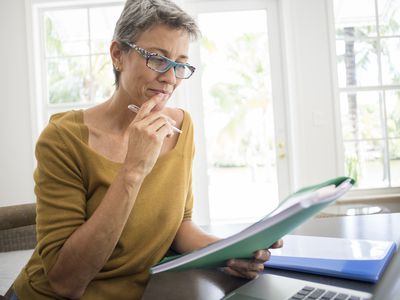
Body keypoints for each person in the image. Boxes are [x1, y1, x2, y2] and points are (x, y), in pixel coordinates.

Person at [11, 0, 282, 299]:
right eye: (157, 59)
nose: (170, 78)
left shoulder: (182, 127)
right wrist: (133, 170)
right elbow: (66, 282)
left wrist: (231, 251)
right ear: (117, 55)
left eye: (181, 64)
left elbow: (179, 225)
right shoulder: (63, 139)